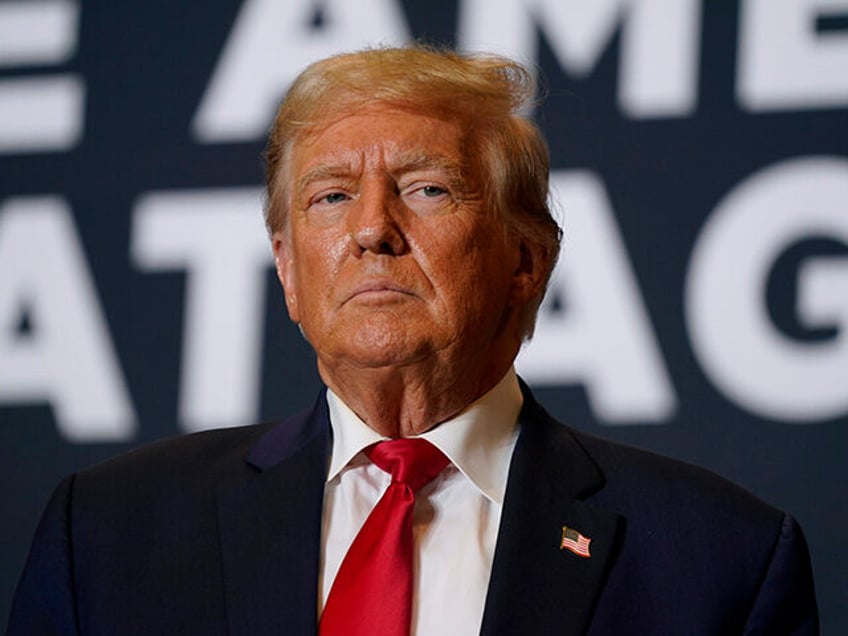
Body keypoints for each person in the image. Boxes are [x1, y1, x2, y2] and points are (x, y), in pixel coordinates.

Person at [7, 46, 818, 635]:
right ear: (288, 270)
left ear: (526, 261)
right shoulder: (110, 532)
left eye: (426, 188)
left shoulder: (722, 561)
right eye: (329, 197)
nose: (370, 230)